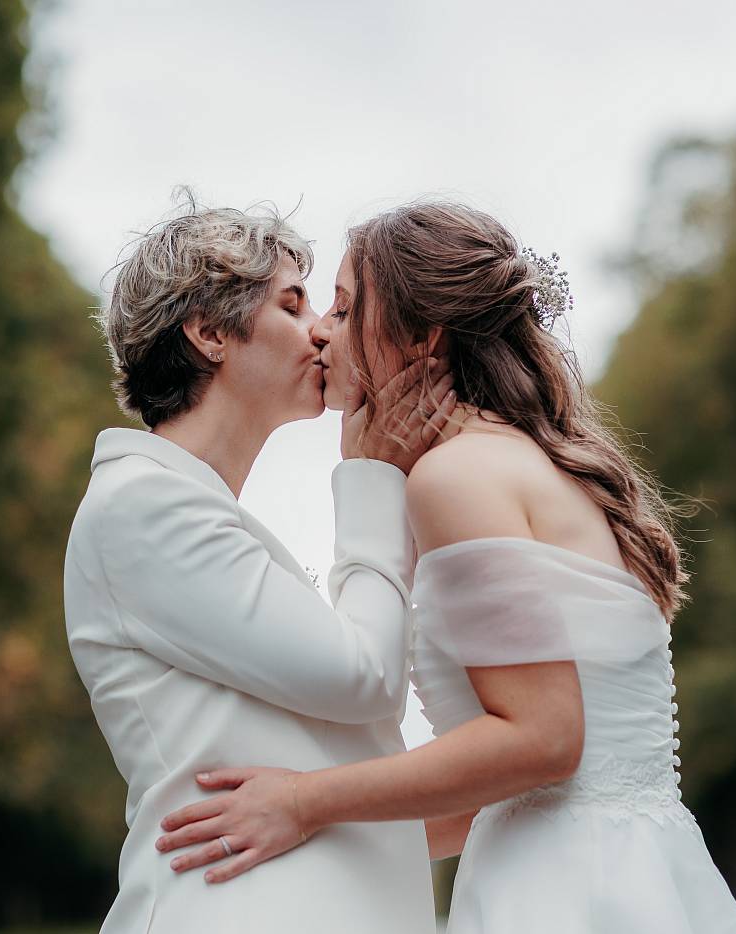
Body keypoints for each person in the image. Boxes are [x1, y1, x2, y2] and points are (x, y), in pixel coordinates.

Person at [154, 201, 736, 933]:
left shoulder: (458, 479)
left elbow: (543, 740)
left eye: (343, 309)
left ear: (422, 336)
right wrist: (303, 837)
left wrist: (306, 798)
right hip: (632, 871)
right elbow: (498, 792)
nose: (320, 330)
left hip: (561, 890)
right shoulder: (517, 461)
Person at [63, 194, 456, 934]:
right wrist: (373, 475)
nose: (321, 333)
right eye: (293, 304)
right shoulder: (142, 506)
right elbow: (365, 680)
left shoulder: (191, 511)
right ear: (209, 332)